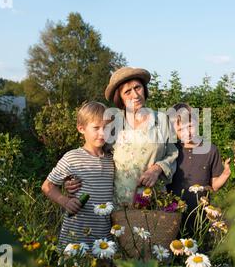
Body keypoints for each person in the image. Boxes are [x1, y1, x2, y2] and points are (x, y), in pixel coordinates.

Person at [65, 67, 178, 208]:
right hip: (120, 202)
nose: (135, 95)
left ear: (144, 89)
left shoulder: (161, 119)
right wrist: (73, 179)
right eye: (127, 92)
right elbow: (93, 153)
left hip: (154, 199)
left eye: (138, 87)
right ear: (120, 98)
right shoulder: (112, 123)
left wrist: (157, 168)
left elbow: (172, 154)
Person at [41, 102, 114, 250]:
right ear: (81, 128)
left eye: (106, 128)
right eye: (96, 128)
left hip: (103, 237)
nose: (102, 133)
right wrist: (64, 201)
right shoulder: (72, 158)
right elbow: (47, 186)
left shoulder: (112, 159)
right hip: (76, 234)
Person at [166, 102, 235, 235]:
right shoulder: (170, 150)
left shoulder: (210, 150)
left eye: (190, 126)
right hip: (173, 216)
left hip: (200, 216)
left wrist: (227, 173)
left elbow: (214, 186)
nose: (186, 133)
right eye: (180, 129)